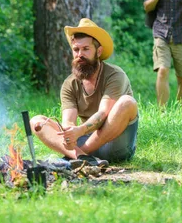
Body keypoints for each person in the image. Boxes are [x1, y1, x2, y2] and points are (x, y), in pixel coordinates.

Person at [30, 18, 138, 164]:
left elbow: (103, 114)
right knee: (36, 121)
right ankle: (83, 158)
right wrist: (69, 135)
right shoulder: (69, 83)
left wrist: (79, 132)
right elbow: (68, 121)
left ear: (98, 51)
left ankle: (79, 156)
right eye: (76, 50)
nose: (80, 54)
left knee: (127, 102)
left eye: (86, 49)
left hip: (116, 145)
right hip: (86, 140)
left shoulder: (115, 75)